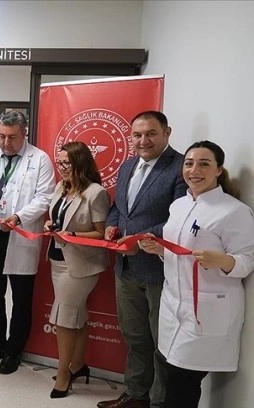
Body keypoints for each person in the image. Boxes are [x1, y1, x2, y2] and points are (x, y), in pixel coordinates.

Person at [140, 140, 254, 407]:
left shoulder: (234, 211)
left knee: (183, 383)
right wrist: (160, 249)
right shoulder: (178, 205)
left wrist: (222, 260)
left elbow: (247, 261)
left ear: (219, 170)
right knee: (173, 374)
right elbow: (179, 252)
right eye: (189, 163)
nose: (194, 170)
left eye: (204, 164)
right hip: (173, 305)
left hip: (206, 311)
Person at [99, 111, 187, 408]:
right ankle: (136, 394)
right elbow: (119, 208)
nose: (143, 141)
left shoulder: (180, 168)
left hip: (159, 270)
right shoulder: (127, 166)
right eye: (137, 135)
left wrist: (137, 240)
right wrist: (112, 226)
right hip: (125, 268)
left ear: (167, 133)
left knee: (162, 341)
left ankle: (159, 401)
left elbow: (179, 218)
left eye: (151, 133)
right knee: (135, 336)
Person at [0, 111, 55, 375]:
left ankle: (14, 351)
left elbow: (44, 197)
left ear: (24, 133)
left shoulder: (39, 159)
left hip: (19, 235)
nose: (6, 143)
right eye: (2, 136)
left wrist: (18, 217)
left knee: (21, 300)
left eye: (12, 137)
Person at [41, 141, 111, 398]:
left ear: (80, 163)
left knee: (64, 318)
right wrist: (50, 224)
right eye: (59, 162)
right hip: (58, 259)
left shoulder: (96, 193)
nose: (62, 167)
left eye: (67, 163)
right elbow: (57, 218)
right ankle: (78, 365)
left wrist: (72, 235)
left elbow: (102, 233)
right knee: (76, 314)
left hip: (82, 264)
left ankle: (63, 375)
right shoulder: (61, 187)